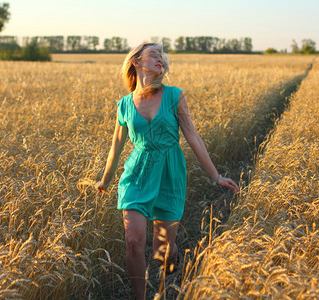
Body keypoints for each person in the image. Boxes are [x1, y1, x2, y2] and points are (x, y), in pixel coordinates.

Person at [95, 42, 239, 299]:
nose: (160, 60)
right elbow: (116, 146)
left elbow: (193, 137)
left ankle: (172, 258)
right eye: (153, 55)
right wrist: (104, 181)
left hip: (170, 173)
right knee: (134, 241)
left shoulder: (174, 96)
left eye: (162, 56)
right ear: (137, 61)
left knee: (162, 252)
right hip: (137, 175)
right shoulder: (125, 105)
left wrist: (216, 176)